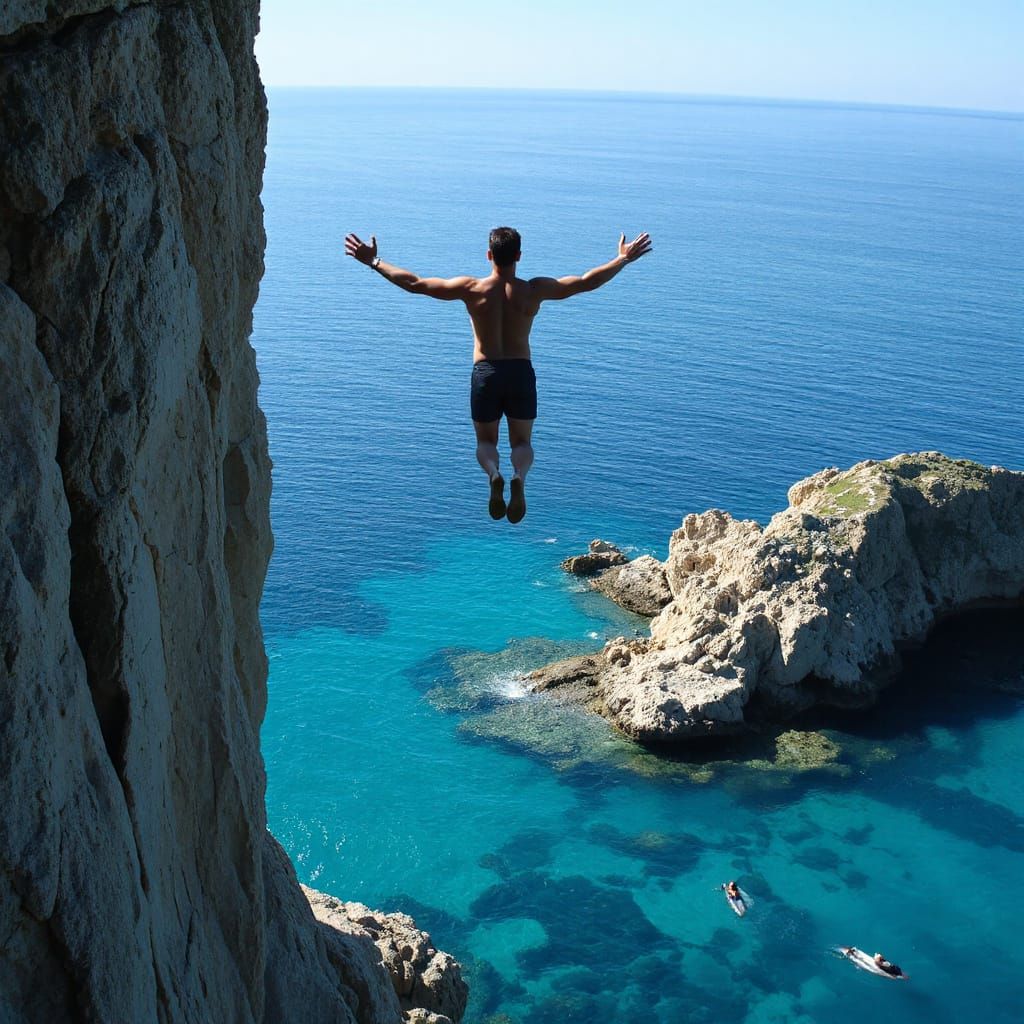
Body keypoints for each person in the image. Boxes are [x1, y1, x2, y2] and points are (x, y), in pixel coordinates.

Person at [344, 227, 652, 522]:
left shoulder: (471, 289)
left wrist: (374, 261)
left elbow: (415, 284)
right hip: (520, 373)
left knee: (485, 441)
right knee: (522, 442)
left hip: (486, 373)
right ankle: (519, 476)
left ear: (489, 255)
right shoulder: (534, 290)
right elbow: (585, 282)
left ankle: (494, 474)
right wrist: (622, 259)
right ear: (519, 255)